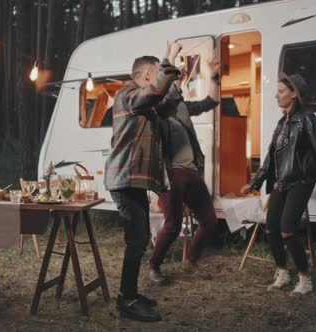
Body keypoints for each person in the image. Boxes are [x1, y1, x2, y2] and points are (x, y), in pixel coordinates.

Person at [240, 73, 316, 295]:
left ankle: (305, 279)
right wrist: (254, 182)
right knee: (271, 228)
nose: (276, 96)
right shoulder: (281, 122)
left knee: (287, 230)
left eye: (282, 91)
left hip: (301, 181)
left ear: (294, 94)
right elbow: (269, 158)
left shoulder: (307, 119)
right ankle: (283, 272)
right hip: (281, 182)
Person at [104, 43, 181, 322]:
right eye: (158, 72)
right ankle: (126, 300)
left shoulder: (146, 104)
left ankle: (130, 293)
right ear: (149, 74)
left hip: (132, 182)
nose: (160, 75)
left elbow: (168, 107)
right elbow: (155, 93)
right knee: (136, 241)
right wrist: (168, 60)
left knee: (138, 240)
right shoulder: (127, 94)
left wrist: (178, 80)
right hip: (124, 181)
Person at [147, 55, 221, 285]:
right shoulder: (156, 110)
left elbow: (211, 101)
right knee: (173, 225)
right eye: (173, 81)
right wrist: (169, 54)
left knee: (209, 221)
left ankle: (190, 261)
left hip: (191, 171)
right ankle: (154, 266)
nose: (177, 84)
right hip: (172, 175)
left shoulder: (182, 107)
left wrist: (214, 74)